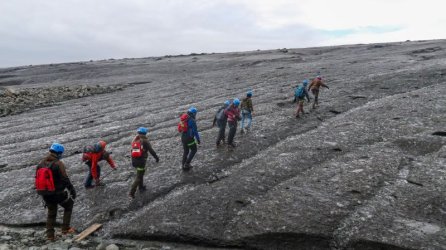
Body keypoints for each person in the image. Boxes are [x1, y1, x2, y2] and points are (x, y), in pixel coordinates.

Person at [36, 143, 76, 241]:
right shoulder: (58, 163)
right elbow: (65, 179)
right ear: (59, 153)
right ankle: (65, 228)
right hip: (58, 193)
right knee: (69, 206)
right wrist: (72, 190)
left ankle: (50, 235)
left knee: (51, 213)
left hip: (45, 193)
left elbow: (37, 178)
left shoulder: (41, 163)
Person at [129, 127, 159, 198]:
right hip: (141, 160)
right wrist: (156, 157)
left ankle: (141, 187)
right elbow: (151, 150)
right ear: (145, 133)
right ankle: (131, 192)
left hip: (134, 160)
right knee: (139, 176)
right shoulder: (145, 140)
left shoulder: (135, 139)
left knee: (140, 173)